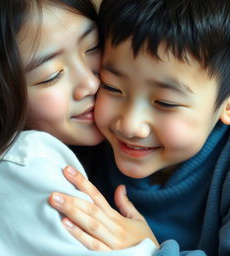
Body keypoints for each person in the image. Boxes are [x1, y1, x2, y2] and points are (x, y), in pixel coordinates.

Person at [0, 0, 157, 255]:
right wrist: (152, 249)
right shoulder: (24, 164)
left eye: (93, 47)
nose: (91, 84)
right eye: (51, 75)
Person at [50, 0, 230, 255]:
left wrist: (147, 250)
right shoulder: (83, 144)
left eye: (165, 103)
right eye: (112, 87)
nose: (131, 125)